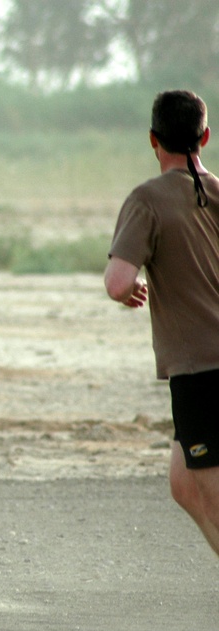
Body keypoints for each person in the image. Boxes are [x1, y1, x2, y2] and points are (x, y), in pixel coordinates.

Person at [104, 90, 219, 556]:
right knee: (183, 485)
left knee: (211, 492)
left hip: (200, 369)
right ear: (205, 137)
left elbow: (117, 282)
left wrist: (127, 287)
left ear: (153, 140)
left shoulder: (146, 200)